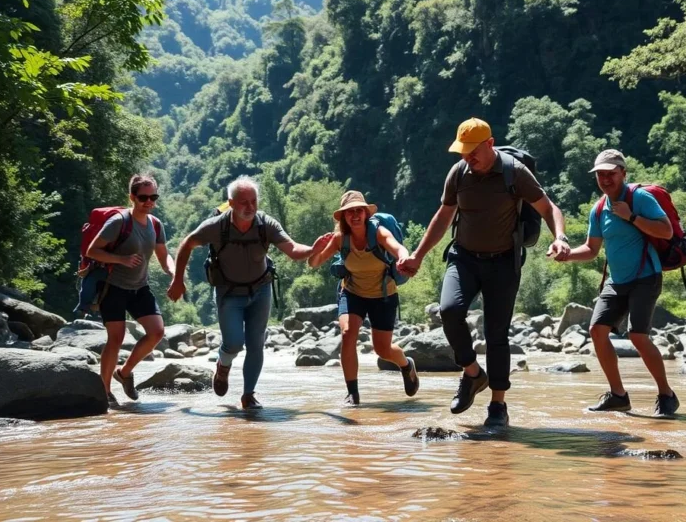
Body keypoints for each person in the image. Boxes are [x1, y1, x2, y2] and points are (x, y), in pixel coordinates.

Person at [397, 118, 570, 427]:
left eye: (472, 151)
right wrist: (418, 256)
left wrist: (559, 237)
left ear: (489, 144)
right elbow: (443, 215)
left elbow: (549, 208)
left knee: (496, 334)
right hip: (463, 258)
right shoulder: (458, 174)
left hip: (503, 262)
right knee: (449, 311)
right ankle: (473, 373)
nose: (467, 158)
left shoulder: (514, 172)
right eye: (462, 152)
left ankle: (498, 406)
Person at [168, 175, 327, 410]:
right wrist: (178, 279)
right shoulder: (216, 226)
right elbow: (187, 244)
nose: (250, 207)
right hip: (229, 292)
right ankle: (223, 367)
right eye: (244, 202)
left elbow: (292, 249)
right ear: (231, 203)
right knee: (233, 343)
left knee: (256, 345)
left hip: (261, 290)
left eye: (253, 201)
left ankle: (248, 395)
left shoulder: (267, 225)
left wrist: (313, 249)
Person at [552, 149, 679, 417]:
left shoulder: (639, 198)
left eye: (611, 173)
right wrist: (566, 255)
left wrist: (631, 216)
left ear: (623, 173)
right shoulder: (598, 209)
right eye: (600, 174)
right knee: (597, 330)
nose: (606, 179)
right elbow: (591, 249)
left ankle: (666, 395)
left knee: (638, 336)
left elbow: (666, 231)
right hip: (617, 281)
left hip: (646, 276)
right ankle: (618, 396)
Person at [308, 190, 419, 407]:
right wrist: (315, 250)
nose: (355, 215)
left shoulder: (377, 232)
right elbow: (314, 263)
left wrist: (403, 258)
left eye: (359, 210)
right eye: (350, 212)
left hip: (383, 294)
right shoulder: (340, 239)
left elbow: (397, 247)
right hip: (352, 292)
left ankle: (406, 365)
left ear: (366, 214)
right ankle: (353, 393)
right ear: (344, 217)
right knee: (348, 333)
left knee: (383, 350)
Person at [86, 173, 175, 404]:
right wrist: (120, 259)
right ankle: (104, 392)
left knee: (156, 332)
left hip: (140, 287)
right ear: (132, 197)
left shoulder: (156, 224)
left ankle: (124, 373)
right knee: (115, 339)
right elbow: (92, 251)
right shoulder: (119, 222)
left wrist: (174, 274)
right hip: (113, 287)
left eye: (153, 197)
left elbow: (164, 257)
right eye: (143, 197)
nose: (149, 202)